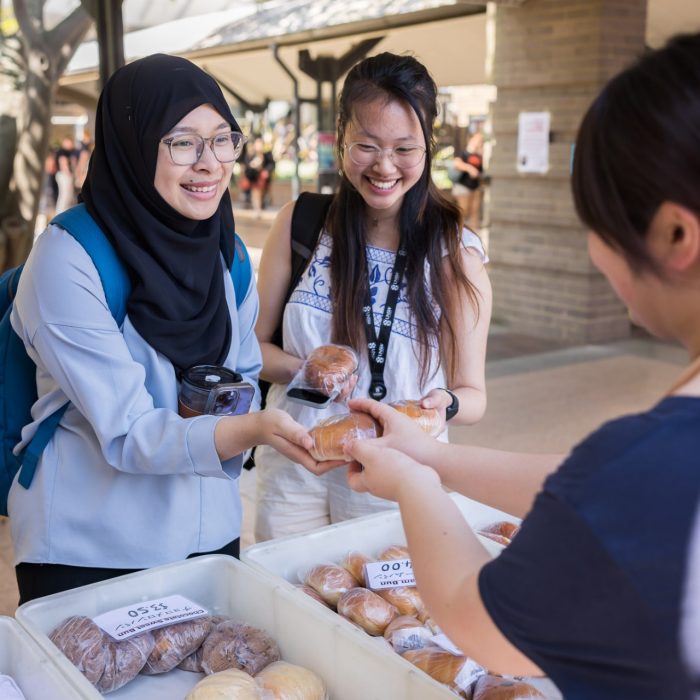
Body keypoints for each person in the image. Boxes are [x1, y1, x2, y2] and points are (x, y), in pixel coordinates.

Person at [310, 32, 700, 700]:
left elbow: (479, 619)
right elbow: (590, 488)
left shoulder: (657, 457)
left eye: (596, 220)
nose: (593, 250)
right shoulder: (653, 461)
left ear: (674, 234)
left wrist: (409, 481)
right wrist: (430, 460)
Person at [8, 53, 318, 605]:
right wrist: (251, 430)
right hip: (94, 549)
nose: (210, 163)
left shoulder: (226, 252)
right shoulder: (69, 259)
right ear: (133, 142)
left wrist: (245, 415)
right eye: (182, 142)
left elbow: (240, 373)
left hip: (209, 532)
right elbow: (129, 431)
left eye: (223, 139)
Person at [253, 52, 492, 542]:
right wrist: (307, 369)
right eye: (366, 145)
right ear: (341, 135)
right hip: (298, 460)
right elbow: (251, 350)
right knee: (287, 603)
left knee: (379, 614)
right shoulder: (301, 224)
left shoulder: (455, 251)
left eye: (405, 148)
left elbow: (473, 396)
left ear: (428, 146)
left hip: (395, 472)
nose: (384, 167)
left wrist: (441, 404)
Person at [451, 130, 484, 231]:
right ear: (471, 139)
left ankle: (474, 235)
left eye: (481, 140)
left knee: (474, 212)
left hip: (475, 187)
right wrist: (469, 168)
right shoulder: (463, 152)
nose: (480, 142)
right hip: (463, 187)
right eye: (478, 139)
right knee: (463, 212)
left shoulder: (479, 155)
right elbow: (456, 163)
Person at [239, 135, 275, 211]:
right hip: (253, 178)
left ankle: (261, 204)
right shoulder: (250, 155)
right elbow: (246, 166)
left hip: (263, 179)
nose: (259, 146)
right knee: (256, 191)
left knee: (260, 192)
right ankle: (257, 208)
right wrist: (252, 165)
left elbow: (271, 164)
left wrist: (266, 170)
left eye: (260, 144)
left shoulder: (267, 154)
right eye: (257, 144)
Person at [54, 135, 76, 214]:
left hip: (64, 175)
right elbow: (63, 163)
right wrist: (69, 174)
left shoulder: (66, 152)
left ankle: (63, 213)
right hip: (64, 175)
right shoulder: (62, 151)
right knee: (65, 195)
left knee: (67, 196)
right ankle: (60, 213)